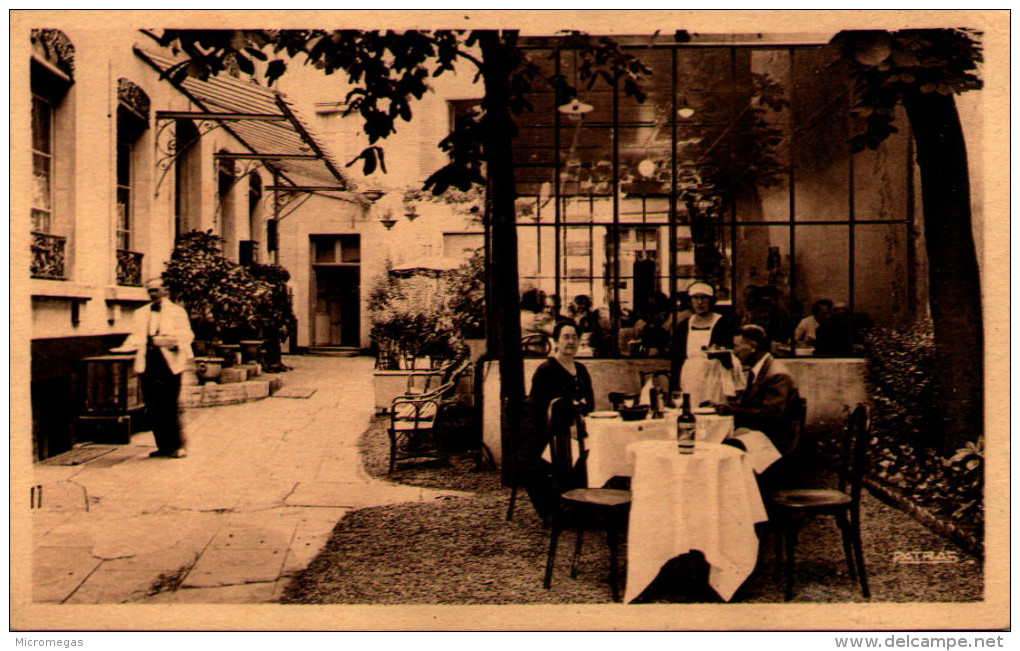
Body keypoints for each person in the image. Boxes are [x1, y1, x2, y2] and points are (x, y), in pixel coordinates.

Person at [517, 321, 595, 519]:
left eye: (575, 337)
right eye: (566, 337)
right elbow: (538, 409)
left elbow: (590, 404)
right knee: (538, 462)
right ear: (556, 342)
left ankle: (585, 505)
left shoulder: (581, 369)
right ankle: (555, 511)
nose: (571, 342)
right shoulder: (546, 370)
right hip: (545, 429)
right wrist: (565, 429)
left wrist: (580, 421)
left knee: (595, 449)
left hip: (578, 428)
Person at [709, 325, 801, 488]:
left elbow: (770, 416)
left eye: (736, 347)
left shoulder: (777, 375)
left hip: (776, 442)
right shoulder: (760, 370)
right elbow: (752, 404)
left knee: (721, 450)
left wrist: (730, 411)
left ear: (752, 346)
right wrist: (722, 407)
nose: (734, 352)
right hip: (763, 435)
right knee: (718, 443)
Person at [118, 278, 195, 458]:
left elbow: (187, 334)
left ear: (165, 291)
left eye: (155, 290)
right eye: (150, 291)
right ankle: (163, 446)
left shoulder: (177, 312)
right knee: (152, 406)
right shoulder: (141, 313)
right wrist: (123, 348)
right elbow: (136, 336)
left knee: (170, 404)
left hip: (169, 363)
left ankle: (177, 446)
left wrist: (173, 341)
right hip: (149, 362)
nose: (152, 294)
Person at [670, 281, 737, 398]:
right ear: (690, 301)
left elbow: (730, 353)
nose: (700, 302)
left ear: (711, 300)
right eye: (695, 298)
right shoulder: (684, 325)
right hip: (690, 376)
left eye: (704, 298)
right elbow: (677, 357)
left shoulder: (723, 323)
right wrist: (675, 385)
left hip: (714, 376)